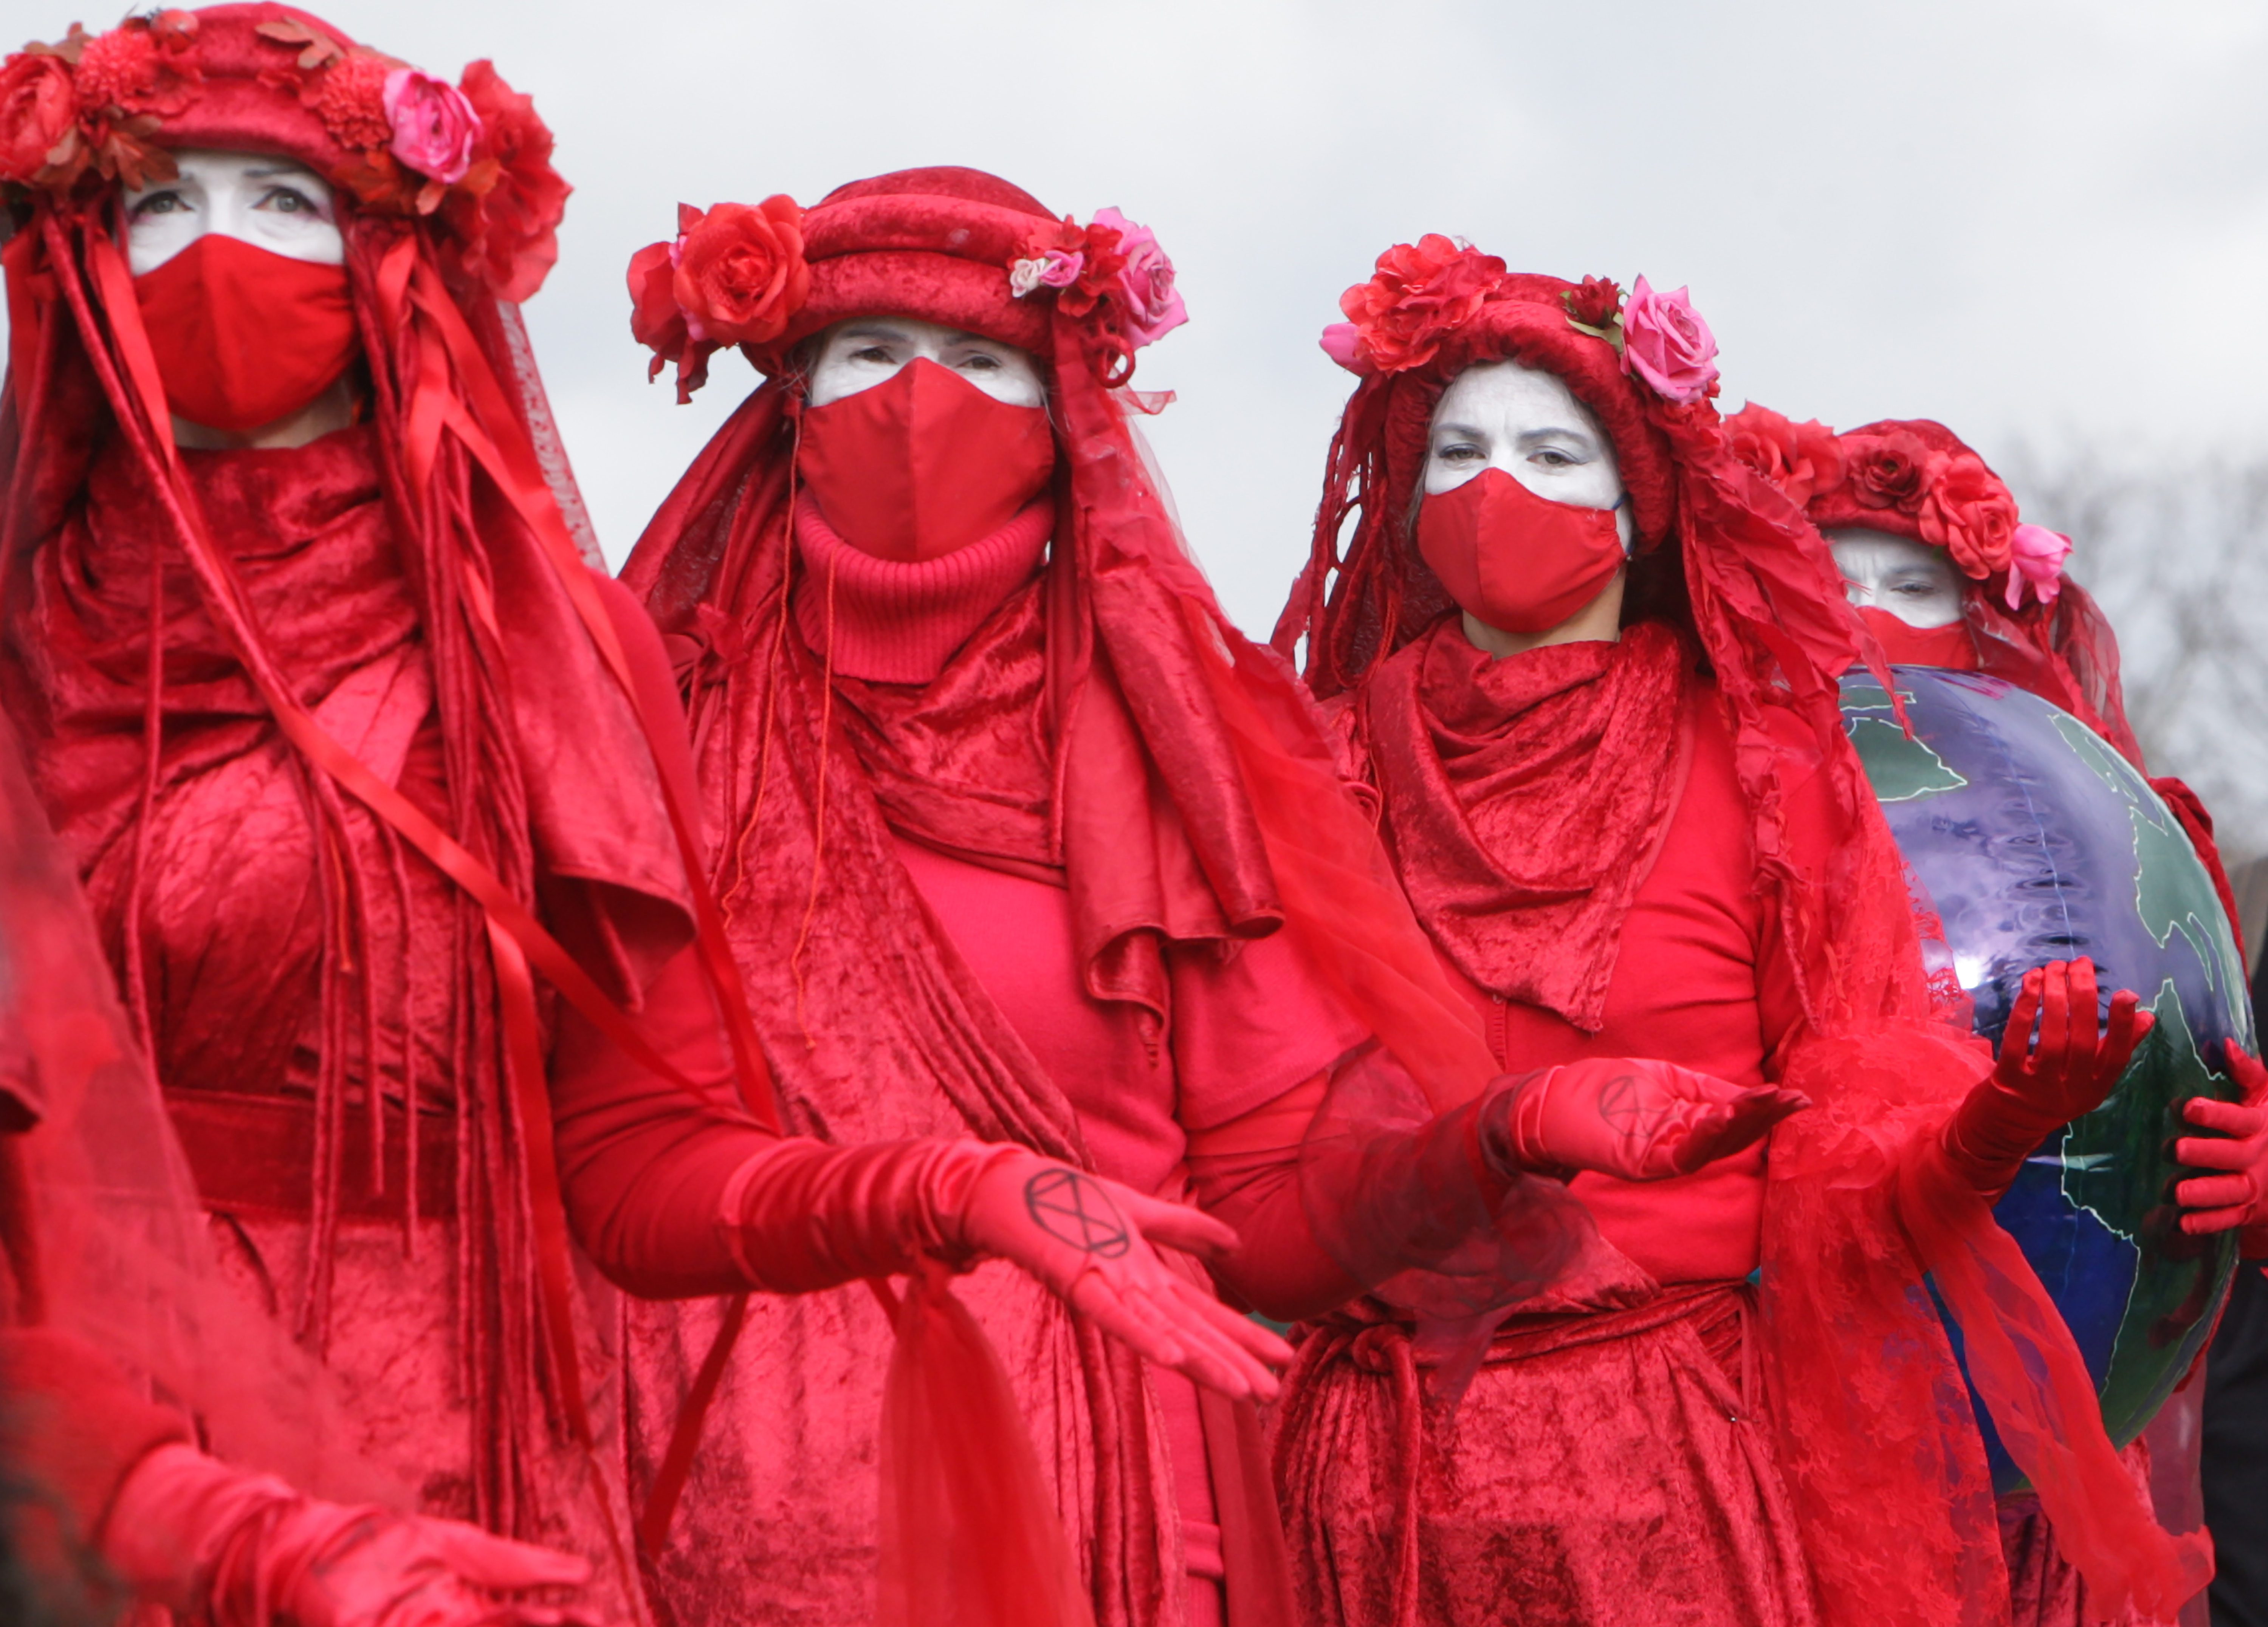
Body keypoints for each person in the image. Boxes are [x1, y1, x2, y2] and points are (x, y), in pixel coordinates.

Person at [545, 168, 1801, 1627]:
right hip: (712, 1513)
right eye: (870, 354)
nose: (918, 403)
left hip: (1107, 1524)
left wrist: (1494, 1139)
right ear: (788, 395)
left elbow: (1263, 1214)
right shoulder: (665, 719)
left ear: (1061, 420)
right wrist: (957, 1187)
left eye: (982, 361)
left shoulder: (1172, 736)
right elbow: (623, 1175)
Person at [1269, 242, 2211, 1626]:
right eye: (1455, 450)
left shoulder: (1763, 768)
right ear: (1403, 497)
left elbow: (1851, 1185)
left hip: (1666, 1463)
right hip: (1363, 1474)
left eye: (1553, 449)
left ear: (1642, 503)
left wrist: (1998, 1123)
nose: (1497, 486)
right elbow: (1238, 1130)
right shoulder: (1314, 770)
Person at [0, 7, 722, 1612]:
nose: (212, 251)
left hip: (467, 1467)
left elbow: (629, 1145)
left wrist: (926, 1191)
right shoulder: (12, 647)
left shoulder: (545, 643)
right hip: (92, 1493)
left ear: (395, 255)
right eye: (155, 202)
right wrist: (194, 1512)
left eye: (281, 201)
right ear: (78, 253)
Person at [1730, 406, 2268, 1625]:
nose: (1870, 610)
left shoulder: (2125, 839)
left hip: (2047, 1495)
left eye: (1913, 580)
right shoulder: (1699, 813)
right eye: (1830, 574)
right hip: (1765, 1464)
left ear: (1988, 614)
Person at [0, 703, 612, 1627]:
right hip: (97, 1466)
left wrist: (874, 1194)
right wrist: (204, 1522)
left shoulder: (527, 652)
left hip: (441, 1452)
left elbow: (629, 1137)